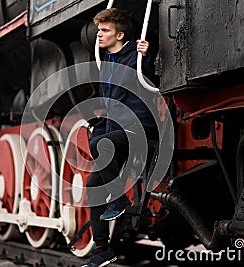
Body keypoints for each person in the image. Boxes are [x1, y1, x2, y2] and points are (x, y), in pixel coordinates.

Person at [83, 8, 158, 267]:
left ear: (120, 34)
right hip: (116, 131)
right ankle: (102, 251)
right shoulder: (107, 62)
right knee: (92, 187)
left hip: (139, 127)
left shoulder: (137, 55)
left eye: (105, 31)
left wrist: (146, 56)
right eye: (99, 30)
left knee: (99, 143)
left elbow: (148, 79)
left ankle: (118, 198)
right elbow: (107, 106)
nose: (99, 34)